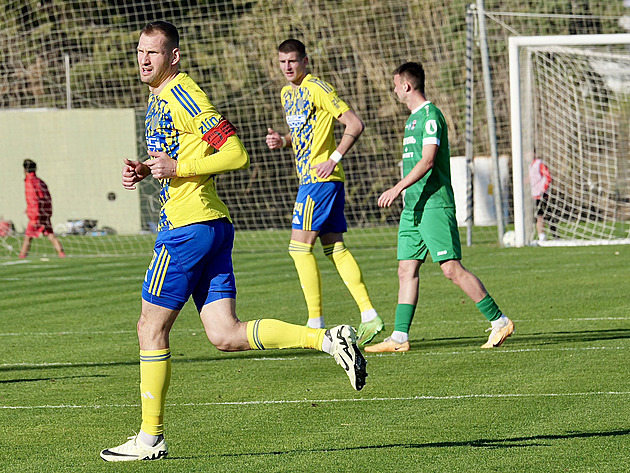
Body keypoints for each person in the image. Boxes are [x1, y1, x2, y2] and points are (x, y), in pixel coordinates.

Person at [100, 21, 367, 463]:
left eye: (154, 52)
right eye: (140, 52)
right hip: (209, 226)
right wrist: (151, 168)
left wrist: (178, 169)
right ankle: (327, 339)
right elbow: (181, 154)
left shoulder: (183, 93)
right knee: (225, 334)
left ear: (174, 57)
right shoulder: (157, 97)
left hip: (187, 229)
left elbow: (235, 153)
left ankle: (150, 439)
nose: (144, 59)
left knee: (150, 327)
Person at [365, 62, 514, 353]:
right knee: (406, 269)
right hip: (414, 208)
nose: (393, 89)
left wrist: (397, 187)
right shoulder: (411, 120)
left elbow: (428, 161)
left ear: (406, 86)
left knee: (450, 269)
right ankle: (399, 338)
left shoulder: (431, 116)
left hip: (434, 205)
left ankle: (500, 321)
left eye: (395, 84)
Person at [265, 39, 383, 345]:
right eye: (282, 62)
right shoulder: (286, 93)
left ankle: (315, 322)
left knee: (298, 248)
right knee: (335, 249)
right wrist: (284, 141)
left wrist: (334, 159)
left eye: (293, 61)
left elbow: (354, 123)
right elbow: (306, 130)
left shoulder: (317, 87)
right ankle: (370, 316)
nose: (287, 67)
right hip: (315, 181)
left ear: (305, 61)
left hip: (319, 181)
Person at [18, 159, 66, 259]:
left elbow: (33, 199)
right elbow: (47, 197)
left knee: (28, 237)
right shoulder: (40, 181)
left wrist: (34, 214)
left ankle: (22, 255)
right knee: (50, 234)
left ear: (25, 170)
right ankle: (61, 253)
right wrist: (47, 212)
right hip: (45, 212)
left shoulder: (29, 182)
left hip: (36, 215)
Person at [528, 152, 552, 241]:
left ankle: (553, 236)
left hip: (542, 194)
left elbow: (548, 177)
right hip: (535, 195)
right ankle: (542, 236)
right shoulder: (530, 166)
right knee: (539, 216)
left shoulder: (539, 164)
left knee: (546, 216)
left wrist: (543, 189)